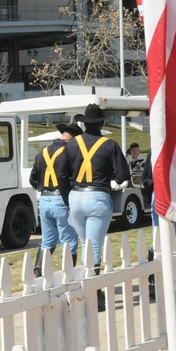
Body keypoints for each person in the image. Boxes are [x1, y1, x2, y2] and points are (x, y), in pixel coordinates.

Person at [63, 104, 130, 310]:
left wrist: (68, 200)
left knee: (85, 244)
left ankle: (86, 290)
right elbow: (123, 175)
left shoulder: (71, 145)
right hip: (97, 195)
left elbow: (62, 174)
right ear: (101, 123)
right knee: (94, 247)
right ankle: (95, 295)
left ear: (83, 123)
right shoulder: (109, 144)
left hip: (75, 196)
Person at [29, 122, 79, 277]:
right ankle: (68, 276)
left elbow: (33, 179)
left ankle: (38, 273)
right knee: (69, 241)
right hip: (61, 200)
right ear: (72, 139)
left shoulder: (43, 152)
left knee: (47, 240)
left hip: (44, 200)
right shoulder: (69, 152)